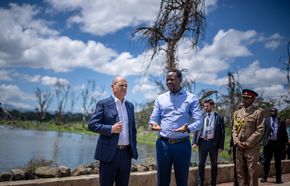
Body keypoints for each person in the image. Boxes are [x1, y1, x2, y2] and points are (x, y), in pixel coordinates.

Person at [149, 69, 203, 186]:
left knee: (182, 180)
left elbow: (199, 121)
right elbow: (153, 118)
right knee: (162, 181)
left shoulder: (191, 98)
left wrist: (188, 128)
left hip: (182, 145)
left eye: (172, 79)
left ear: (180, 79)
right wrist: (153, 124)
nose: (169, 82)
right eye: (167, 80)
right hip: (163, 145)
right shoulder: (160, 98)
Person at [88, 76, 138, 186]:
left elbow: (133, 130)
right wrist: (111, 129)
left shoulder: (130, 106)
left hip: (126, 154)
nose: (124, 88)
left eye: (126, 86)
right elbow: (92, 125)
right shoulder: (103, 104)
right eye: (121, 85)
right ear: (112, 86)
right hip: (109, 154)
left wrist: (133, 149)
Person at [232, 89, 265, 186]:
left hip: (251, 148)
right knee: (240, 172)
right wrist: (237, 142)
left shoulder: (257, 113)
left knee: (252, 173)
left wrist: (247, 143)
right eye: (243, 98)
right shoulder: (238, 112)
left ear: (253, 100)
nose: (244, 100)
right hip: (239, 147)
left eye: (247, 98)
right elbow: (234, 129)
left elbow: (260, 130)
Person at [193, 99, 225, 186]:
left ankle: (213, 183)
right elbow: (196, 129)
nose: (205, 108)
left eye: (207, 106)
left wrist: (221, 146)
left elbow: (222, 132)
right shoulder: (201, 116)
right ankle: (200, 183)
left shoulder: (219, 117)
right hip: (202, 142)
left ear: (212, 106)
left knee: (214, 164)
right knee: (201, 164)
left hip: (213, 144)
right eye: (204, 106)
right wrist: (194, 142)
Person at [260, 108, 288, 184]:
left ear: (277, 113)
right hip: (268, 143)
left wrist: (285, 144)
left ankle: (278, 179)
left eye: (275, 111)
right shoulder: (266, 120)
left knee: (278, 162)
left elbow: (285, 133)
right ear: (270, 112)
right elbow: (262, 132)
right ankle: (264, 177)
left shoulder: (281, 122)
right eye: (272, 111)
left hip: (277, 144)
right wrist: (260, 141)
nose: (273, 113)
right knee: (266, 161)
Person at [229, 102, 244, 186]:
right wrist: (230, 146)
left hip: (246, 145)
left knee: (245, 165)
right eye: (239, 107)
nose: (240, 108)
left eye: (242, 107)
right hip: (236, 145)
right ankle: (236, 182)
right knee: (236, 165)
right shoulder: (235, 117)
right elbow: (232, 132)